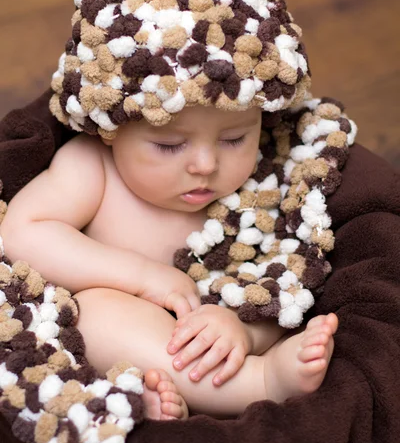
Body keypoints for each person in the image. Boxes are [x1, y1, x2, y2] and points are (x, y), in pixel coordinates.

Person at [0, 103, 338, 419]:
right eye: (169, 145)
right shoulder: (92, 164)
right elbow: (23, 233)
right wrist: (141, 276)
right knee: (92, 313)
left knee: (276, 291)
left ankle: (193, 387)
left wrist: (244, 330)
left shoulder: (267, 180)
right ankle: (260, 383)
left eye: (234, 139)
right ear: (110, 129)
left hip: (219, 313)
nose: (205, 165)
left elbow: (285, 265)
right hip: (119, 328)